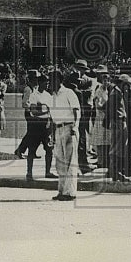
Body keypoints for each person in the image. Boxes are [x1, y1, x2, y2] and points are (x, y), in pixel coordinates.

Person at [48, 71, 81, 201]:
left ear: (59, 81)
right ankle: (62, 191)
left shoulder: (68, 93)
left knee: (70, 160)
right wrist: (52, 134)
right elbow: (52, 117)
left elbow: (76, 110)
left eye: (53, 80)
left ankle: (70, 192)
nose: (50, 83)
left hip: (69, 127)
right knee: (60, 162)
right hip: (58, 129)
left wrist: (75, 126)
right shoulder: (52, 96)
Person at [24, 73, 54, 181]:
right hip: (36, 124)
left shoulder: (48, 96)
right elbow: (34, 111)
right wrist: (45, 111)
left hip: (46, 125)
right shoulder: (34, 95)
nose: (47, 84)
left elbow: (52, 111)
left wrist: (47, 113)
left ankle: (48, 171)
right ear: (40, 83)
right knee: (32, 149)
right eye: (45, 82)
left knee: (49, 149)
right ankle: (29, 173)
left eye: (48, 83)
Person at [73, 59, 96, 174]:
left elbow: (88, 95)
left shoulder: (88, 80)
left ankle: (83, 164)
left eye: (82, 69)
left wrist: (77, 90)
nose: (79, 71)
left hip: (84, 113)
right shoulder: (70, 79)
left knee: (82, 139)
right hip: (72, 113)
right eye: (78, 69)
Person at [90, 65, 111, 175]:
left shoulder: (110, 90)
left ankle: (106, 160)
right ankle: (101, 160)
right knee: (100, 139)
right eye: (104, 79)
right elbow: (98, 105)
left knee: (107, 139)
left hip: (107, 118)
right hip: (100, 116)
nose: (106, 81)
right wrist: (107, 105)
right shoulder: (99, 90)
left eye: (108, 79)